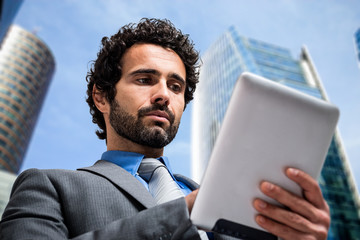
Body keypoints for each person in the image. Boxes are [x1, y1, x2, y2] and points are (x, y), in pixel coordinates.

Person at [0, 18, 330, 240]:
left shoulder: (228, 196)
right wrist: (181, 214)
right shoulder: (48, 186)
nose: (163, 95)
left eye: (176, 87)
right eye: (145, 79)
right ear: (101, 96)